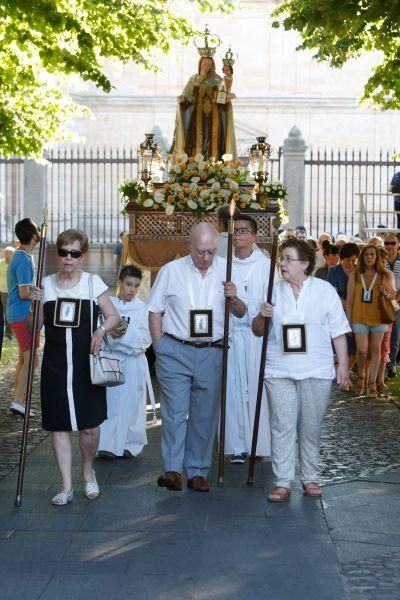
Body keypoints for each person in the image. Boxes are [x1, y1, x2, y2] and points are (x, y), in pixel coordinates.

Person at [148, 222, 246, 492]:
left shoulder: (228, 270)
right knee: (175, 412)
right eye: (200, 251)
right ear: (189, 246)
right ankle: (171, 470)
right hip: (176, 350)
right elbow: (154, 310)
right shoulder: (171, 270)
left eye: (211, 252)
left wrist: (234, 297)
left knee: (204, 415)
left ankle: (198, 471)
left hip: (212, 351)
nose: (205, 258)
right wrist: (160, 348)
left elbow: (241, 312)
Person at [252, 238, 350, 502]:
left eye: (288, 259)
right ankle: (283, 481)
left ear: (305, 264)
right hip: (279, 369)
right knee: (281, 425)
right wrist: (262, 315)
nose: (282, 263)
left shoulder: (324, 290)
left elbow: (338, 331)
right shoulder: (271, 289)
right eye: (281, 258)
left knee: (311, 426)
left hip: (316, 369)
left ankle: (310, 477)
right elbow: (257, 330)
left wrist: (342, 365)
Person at [37, 229, 119, 505]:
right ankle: (65, 485)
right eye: (63, 252)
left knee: (89, 428)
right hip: (56, 365)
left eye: (73, 253)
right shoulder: (46, 285)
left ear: (82, 256)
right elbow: (32, 328)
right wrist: (34, 305)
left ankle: (87, 471)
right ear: (58, 254)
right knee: (59, 426)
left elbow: (113, 316)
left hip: (86, 365)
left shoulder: (92, 283)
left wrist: (100, 332)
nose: (68, 258)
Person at [225, 215, 275, 464]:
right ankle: (236, 445)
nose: (238, 234)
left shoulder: (265, 265)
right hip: (233, 336)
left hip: (255, 336)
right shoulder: (224, 263)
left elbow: (270, 299)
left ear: (254, 235)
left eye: (244, 230)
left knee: (256, 389)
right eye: (235, 230)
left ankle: (259, 444)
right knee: (232, 389)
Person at [98, 265, 153, 459]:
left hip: (132, 362)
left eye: (136, 286)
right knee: (110, 403)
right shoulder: (108, 305)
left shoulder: (143, 308)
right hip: (111, 359)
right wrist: (110, 332)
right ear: (119, 283)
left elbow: (145, 339)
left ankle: (131, 444)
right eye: (128, 284)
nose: (132, 289)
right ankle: (106, 445)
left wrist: (122, 334)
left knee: (132, 403)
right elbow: (98, 331)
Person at [346, 244, 395, 397]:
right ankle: (361, 377)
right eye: (366, 254)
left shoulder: (383, 275)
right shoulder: (355, 275)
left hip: (378, 318)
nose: (369, 257)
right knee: (361, 351)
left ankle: (372, 383)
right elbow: (349, 301)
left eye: (372, 255)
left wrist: (385, 292)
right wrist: (348, 321)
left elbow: (392, 296)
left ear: (376, 257)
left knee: (375, 350)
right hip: (359, 317)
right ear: (362, 257)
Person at [171, 56, 236, 160]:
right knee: (196, 141)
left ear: (212, 66)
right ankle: (196, 166)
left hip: (214, 117)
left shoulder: (218, 80)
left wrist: (225, 96)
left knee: (214, 141)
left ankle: (214, 164)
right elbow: (187, 94)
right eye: (204, 64)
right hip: (196, 117)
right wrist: (184, 99)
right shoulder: (193, 79)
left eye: (209, 64)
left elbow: (223, 96)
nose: (206, 66)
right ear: (200, 64)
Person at [6, 219, 40, 416]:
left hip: (16, 313)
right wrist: (38, 293)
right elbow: (23, 291)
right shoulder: (24, 258)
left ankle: (17, 400)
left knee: (23, 359)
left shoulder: (20, 255)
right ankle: (19, 402)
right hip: (22, 314)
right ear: (34, 235)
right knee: (32, 360)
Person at [328, 242, 360, 376]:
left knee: (357, 347)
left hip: (358, 313)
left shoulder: (359, 271)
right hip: (340, 313)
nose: (351, 264)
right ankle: (343, 372)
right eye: (347, 260)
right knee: (343, 345)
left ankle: (345, 372)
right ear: (342, 259)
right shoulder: (335, 272)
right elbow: (333, 294)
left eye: (354, 260)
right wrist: (348, 304)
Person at [376, 247, 396, 394]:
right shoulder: (368, 274)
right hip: (370, 315)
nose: (382, 264)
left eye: (384, 261)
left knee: (384, 346)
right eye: (380, 261)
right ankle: (371, 378)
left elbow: (393, 295)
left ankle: (380, 380)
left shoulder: (388, 274)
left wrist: (385, 292)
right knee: (373, 347)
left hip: (385, 315)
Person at [384, 232, 400, 377]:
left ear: (398, 244)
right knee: (383, 334)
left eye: (392, 243)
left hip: (397, 303)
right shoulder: (380, 260)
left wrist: (396, 298)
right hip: (383, 302)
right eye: (387, 243)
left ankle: (391, 363)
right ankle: (383, 363)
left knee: (395, 334)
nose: (389, 246)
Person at [0, 246, 15, 339]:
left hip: (12, 292)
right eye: (7, 253)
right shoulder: (1, 263)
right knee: (3, 312)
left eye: (10, 253)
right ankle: (6, 331)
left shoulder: (14, 264)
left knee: (9, 312)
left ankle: (9, 332)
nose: (8, 255)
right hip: (1, 291)